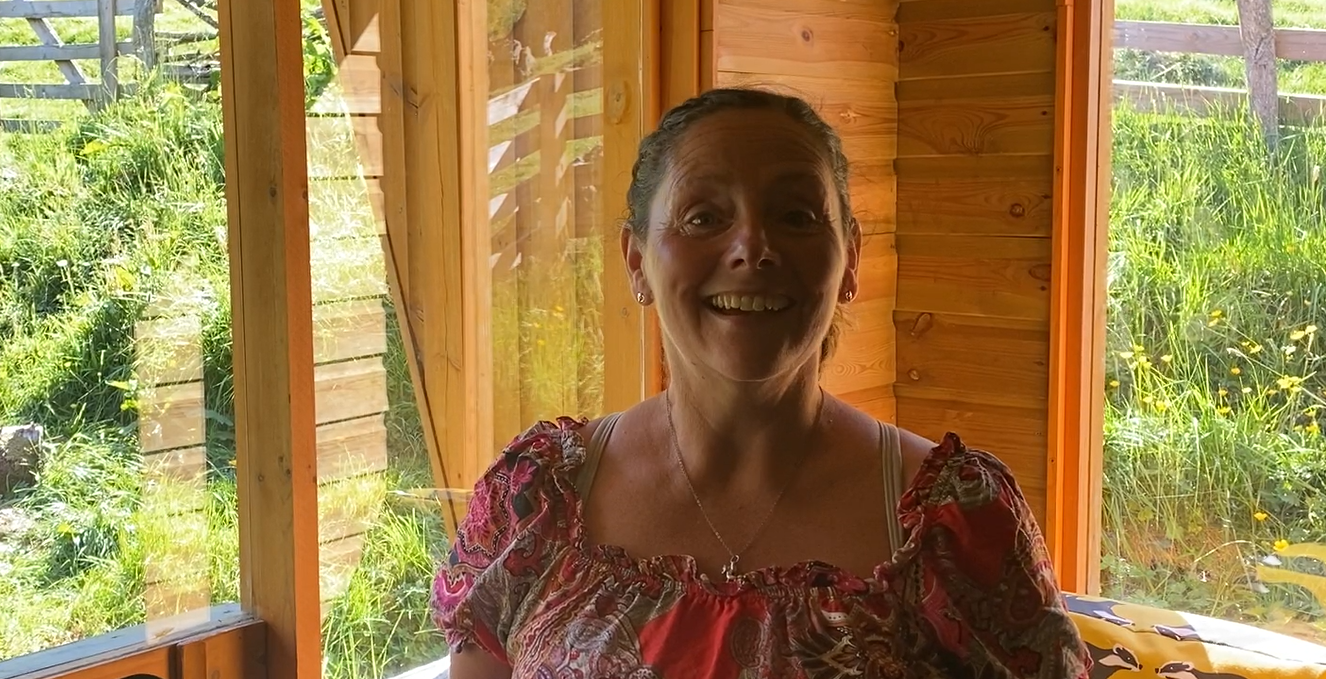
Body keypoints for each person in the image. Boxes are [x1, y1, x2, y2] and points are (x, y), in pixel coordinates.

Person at [430, 88, 1092, 678]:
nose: (753, 247)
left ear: (850, 260)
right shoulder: (534, 501)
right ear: (636, 261)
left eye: (797, 216)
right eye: (702, 217)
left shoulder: (958, 520)